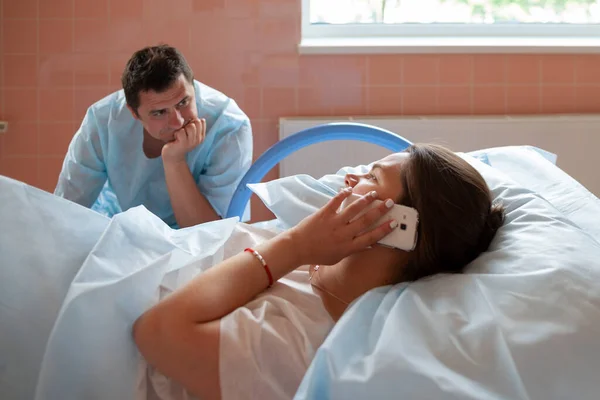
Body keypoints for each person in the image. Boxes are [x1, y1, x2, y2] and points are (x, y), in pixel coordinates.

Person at [133, 144, 506, 400]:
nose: (349, 179)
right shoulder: (312, 260)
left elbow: (156, 333)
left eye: (371, 178)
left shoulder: (301, 346)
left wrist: (295, 245)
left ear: (398, 225)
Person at [54, 45, 253, 228]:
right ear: (133, 113)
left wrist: (174, 161)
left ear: (194, 87)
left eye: (183, 102)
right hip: (119, 227)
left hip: (192, 238)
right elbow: (65, 209)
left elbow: (212, 234)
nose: (177, 122)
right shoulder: (102, 121)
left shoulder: (230, 127)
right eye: (159, 112)